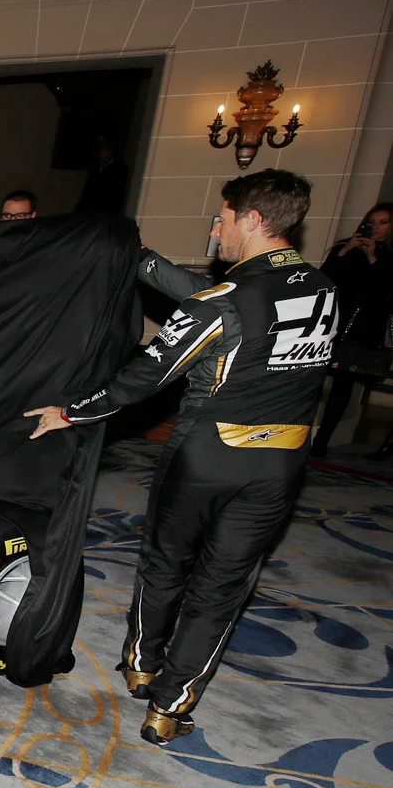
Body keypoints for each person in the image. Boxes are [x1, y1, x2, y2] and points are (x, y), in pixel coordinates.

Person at [23, 169, 335, 746]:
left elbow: (146, 375)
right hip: (281, 465)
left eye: (223, 217)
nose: (216, 228)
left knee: (166, 562)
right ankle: (170, 707)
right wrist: (140, 259)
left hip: (207, 455)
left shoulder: (227, 300)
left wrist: (70, 412)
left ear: (253, 220)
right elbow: (218, 302)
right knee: (223, 589)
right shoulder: (320, 286)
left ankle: (141, 662)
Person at [310, 202, 392, 456]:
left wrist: (373, 260)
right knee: (311, 379)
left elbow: (382, 296)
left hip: (361, 332)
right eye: (372, 221)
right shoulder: (345, 249)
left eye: (383, 222)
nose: (375, 228)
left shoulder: (387, 258)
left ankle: (322, 440)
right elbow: (323, 281)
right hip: (333, 324)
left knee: (342, 387)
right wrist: (344, 251)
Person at [76, 137, 130, 215]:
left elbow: (116, 195)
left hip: (106, 213)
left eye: (104, 150)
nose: (101, 153)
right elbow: (87, 192)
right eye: (100, 150)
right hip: (90, 212)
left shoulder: (120, 169)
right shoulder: (95, 168)